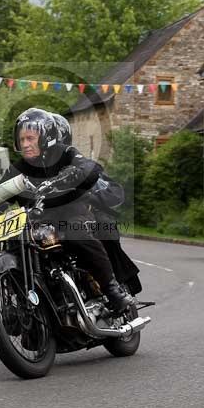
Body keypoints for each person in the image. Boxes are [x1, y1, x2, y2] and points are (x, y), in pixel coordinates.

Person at [0, 108, 135, 313]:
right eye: (21, 139)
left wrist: (74, 174)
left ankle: (112, 291)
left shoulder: (64, 153)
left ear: (45, 137)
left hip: (71, 214)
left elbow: (90, 168)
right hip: (38, 220)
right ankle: (28, 306)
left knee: (75, 232)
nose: (25, 144)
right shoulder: (19, 168)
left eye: (30, 138)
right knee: (16, 242)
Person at [51, 112, 141, 294]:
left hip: (81, 216)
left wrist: (90, 194)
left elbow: (111, 190)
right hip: (49, 221)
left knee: (102, 227)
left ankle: (112, 287)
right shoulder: (33, 168)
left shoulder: (76, 163)